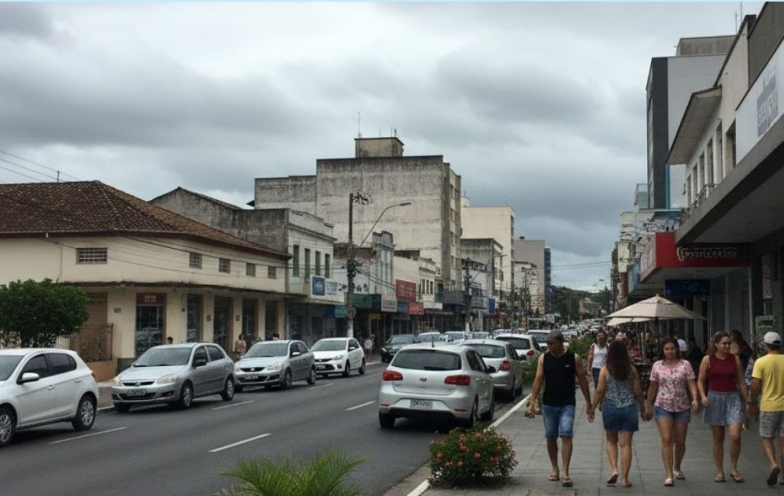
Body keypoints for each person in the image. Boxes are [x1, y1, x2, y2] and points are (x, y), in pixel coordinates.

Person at [526, 330, 592, 488]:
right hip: (549, 403)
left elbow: (582, 380)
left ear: (560, 343)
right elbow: (538, 379)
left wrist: (589, 403)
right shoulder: (544, 358)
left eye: (551, 343)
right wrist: (532, 401)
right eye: (547, 343)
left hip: (567, 403)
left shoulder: (573, 358)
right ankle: (554, 468)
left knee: (566, 434)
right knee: (550, 437)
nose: (548, 346)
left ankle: (565, 472)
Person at [589, 340, 649, 488]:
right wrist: (643, 409)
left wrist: (592, 407)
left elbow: (600, 391)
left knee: (611, 441)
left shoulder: (605, 370)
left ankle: (614, 469)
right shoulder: (632, 370)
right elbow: (638, 392)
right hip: (629, 408)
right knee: (626, 444)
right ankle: (625, 479)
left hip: (610, 407)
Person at [647, 337, 700, 487]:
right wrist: (648, 405)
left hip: (682, 406)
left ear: (677, 349)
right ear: (662, 351)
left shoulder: (685, 365)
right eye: (666, 349)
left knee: (680, 442)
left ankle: (677, 466)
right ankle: (669, 474)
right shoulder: (657, 366)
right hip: (663, 405)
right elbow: (652, 386)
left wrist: (695, 399)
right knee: (667, 439)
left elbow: (691, 383)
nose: (669, 351)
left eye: (672, 348)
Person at [698, 331, 750, 483]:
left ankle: (733, 467)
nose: (727, 346)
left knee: (735, 435)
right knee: (718, 438)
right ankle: (719, 470)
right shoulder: (708, 360)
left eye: (729, 343)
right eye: (724, 343)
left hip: (733, 398)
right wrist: (702, 396)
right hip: (714, 398)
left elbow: (741, 381)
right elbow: (700, 380)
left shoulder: (735, 359)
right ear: (716, 345)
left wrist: (747, 401)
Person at [748, 331, 784, 486]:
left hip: (769, 406)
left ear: (766, 345)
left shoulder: (761, 362)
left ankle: (774, 465)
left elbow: (755, 386)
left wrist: (751, 402)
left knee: (767, 438)